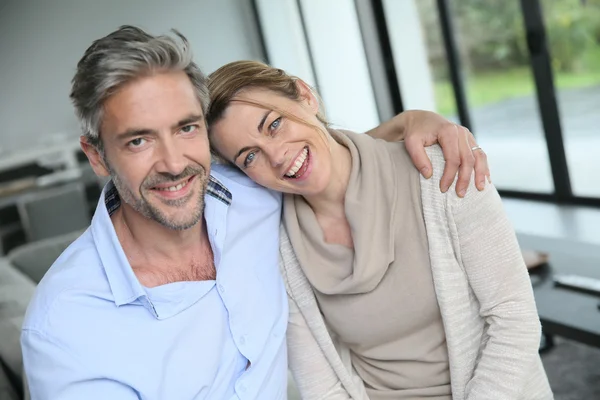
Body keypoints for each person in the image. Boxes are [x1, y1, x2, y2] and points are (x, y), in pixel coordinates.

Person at [21, 26, 487, 399]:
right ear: (97, 155)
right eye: (138, 140)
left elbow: (318, 156)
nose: (173, 164)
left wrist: (417, 123)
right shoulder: (66, 326)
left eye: (186, 128)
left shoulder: (253, 191)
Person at [206, 60, 553, 400]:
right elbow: (320, 386)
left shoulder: (441, 170)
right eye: (249, 157)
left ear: (305, 95)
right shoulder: (278, 246)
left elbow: (514, 320)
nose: (277, 156)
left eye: (274, 124)